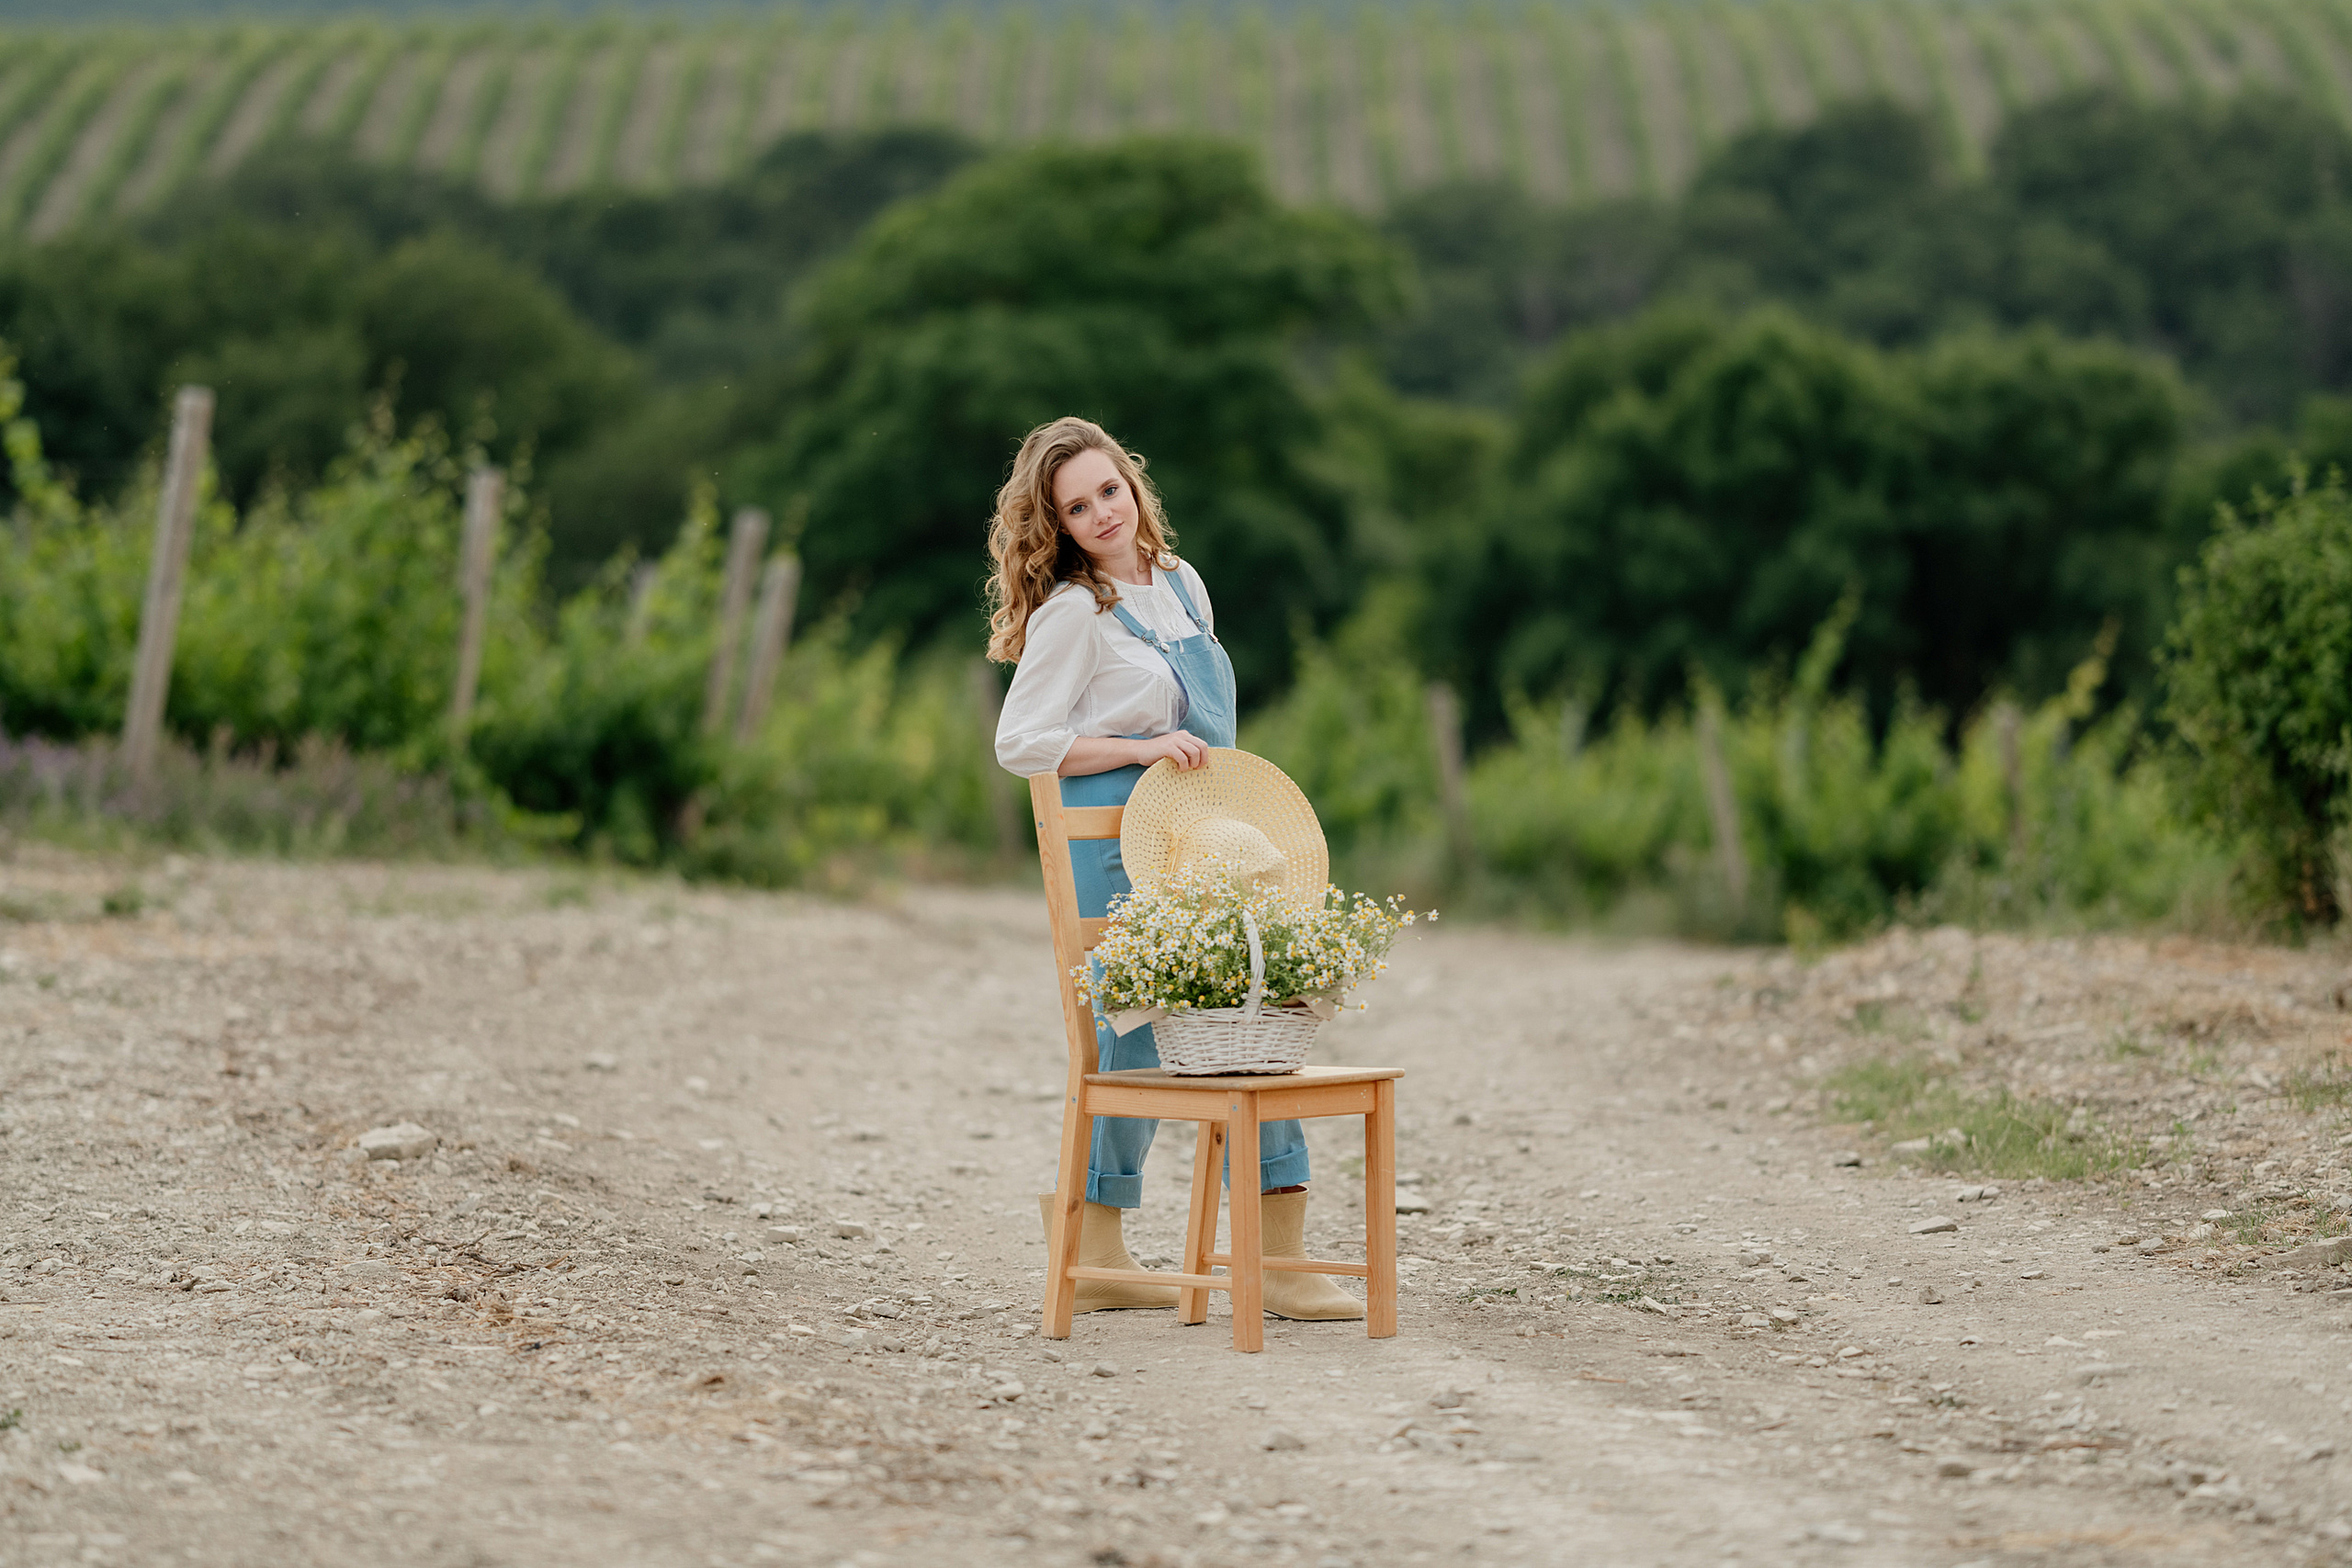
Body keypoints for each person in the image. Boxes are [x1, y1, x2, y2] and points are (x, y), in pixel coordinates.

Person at [987, 414, 1363, 1321]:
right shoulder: (1076, 613)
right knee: (1144, 1032)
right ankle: (1107, 1241)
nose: (1102, 513)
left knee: (1256, 1017)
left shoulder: (1183, 587)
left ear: (1132, 483)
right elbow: (1020, 742)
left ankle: (1266, 1252)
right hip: (1116, 843)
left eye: (1109, 489)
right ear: (1059, 526)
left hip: (1206, 839)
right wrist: (1137, 742)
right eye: (1077, 507)